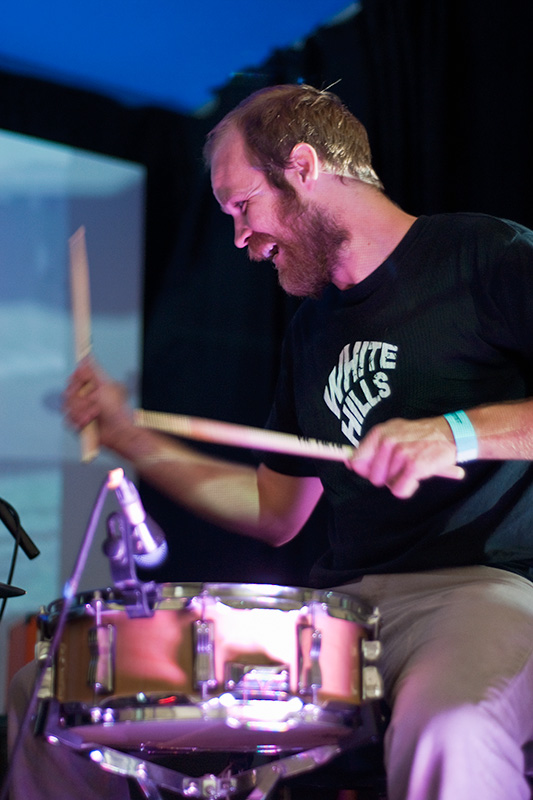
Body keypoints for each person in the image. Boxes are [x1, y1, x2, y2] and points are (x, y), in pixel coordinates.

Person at [8, 84, 533, 800]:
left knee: (453, 726)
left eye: (241, 206)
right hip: (343, 616)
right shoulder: (310, 333)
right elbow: (272, 508)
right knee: (46, 701)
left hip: (484, 590)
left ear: (304, 165)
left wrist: (456, 433)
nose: (238, 238)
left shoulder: (482, 254)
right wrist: (128, 435)